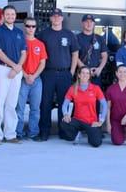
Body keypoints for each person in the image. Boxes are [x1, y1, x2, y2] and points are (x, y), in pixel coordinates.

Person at [37, 8, 79, 141]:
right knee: (45, 103)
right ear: (50, 19)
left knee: (64, 104)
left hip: (64, 73)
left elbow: (75, 53)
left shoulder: (69, 34)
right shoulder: (43, 34)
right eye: (53, 16)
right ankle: (44, 131)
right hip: (47, 73)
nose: (56, 18)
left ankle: (63, 131)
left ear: (62, 18)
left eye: (58, 16)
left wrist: (71, 72)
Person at [0, 5, 27, 145]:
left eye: (12, 14)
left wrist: (17, 68)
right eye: (8, 14)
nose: (10, 16)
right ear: (3, 15)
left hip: (16, 71)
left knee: (12, 104)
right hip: (2, 69)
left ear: (15, 16)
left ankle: (10, 134)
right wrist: (14, 66)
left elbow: (24, 53)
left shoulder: (19, 32)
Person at [15, 17, 47, 141]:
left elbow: (42, 63)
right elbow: (17, 62)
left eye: (33, 26)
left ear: (36, 28)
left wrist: (33, 76)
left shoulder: (40, 44)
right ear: (24, 27)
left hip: (36, 80)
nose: (31, 28)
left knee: (35, 108)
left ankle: (33, 132)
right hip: (22, 78)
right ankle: (18, 132)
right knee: (20, 108)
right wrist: (25, 75)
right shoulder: (19, 42)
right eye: (28, 26)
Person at [60, 66, 107, 147]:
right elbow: (65, 105)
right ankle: (76, 134)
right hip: (77, 120)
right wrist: (66, 114)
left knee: (96, 143)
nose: (85, 75)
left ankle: (90, 134)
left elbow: (104, 105)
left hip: (91, 122)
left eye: (87, 73)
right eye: (83, 73)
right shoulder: (73, 88)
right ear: (79, 75)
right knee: (64, 122)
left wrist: (101, 121)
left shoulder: (95, 88)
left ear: (89, 76)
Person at [76, 14, 108, 87]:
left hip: (95, 74)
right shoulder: (76, 38)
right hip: (82, 74)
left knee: (95, 97)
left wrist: (99, 69)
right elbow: (75, 56)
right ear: (82, 23)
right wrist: (85, 70)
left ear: (94, 24)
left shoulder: (99, 38)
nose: (89, 24)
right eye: (86, 22)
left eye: (91, 22)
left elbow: (105, 56)